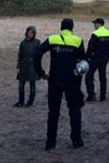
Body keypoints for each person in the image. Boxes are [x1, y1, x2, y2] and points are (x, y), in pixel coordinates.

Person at [34, 18, 88, 150]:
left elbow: (37, 53)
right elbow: (83, 62)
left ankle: (50, 142)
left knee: (53, 112)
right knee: (75, 111)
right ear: (72, 28)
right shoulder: (78, 40)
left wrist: (41, 72)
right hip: (72, 81)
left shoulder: (52, 39)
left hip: (55, 80)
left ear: (61, 27)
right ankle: (76, 140)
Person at [85, 18, 109, 102]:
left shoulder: (95, 33)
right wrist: (107, 57)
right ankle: (103, 96)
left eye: (95, 24)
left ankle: (91, 96)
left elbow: (90, 47)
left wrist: (86, 57)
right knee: (102, 77)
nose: (94, 25)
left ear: (99, 24)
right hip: (104, 59)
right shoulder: (108, 33)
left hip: (95, 58)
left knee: (89, 76)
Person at [14, 26, 39, 107]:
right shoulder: (23, 43)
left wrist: (38, 66)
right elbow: (20, 55)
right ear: (26, 33)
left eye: (32, 33)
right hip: (24, 65)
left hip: (32, 66)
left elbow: (39, 55)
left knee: (32, 84)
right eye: (29, 32)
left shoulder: (37, 42)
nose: (30, 34)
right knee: (21, 85)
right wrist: (18, 66)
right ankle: (21, 101)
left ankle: (30, 102)